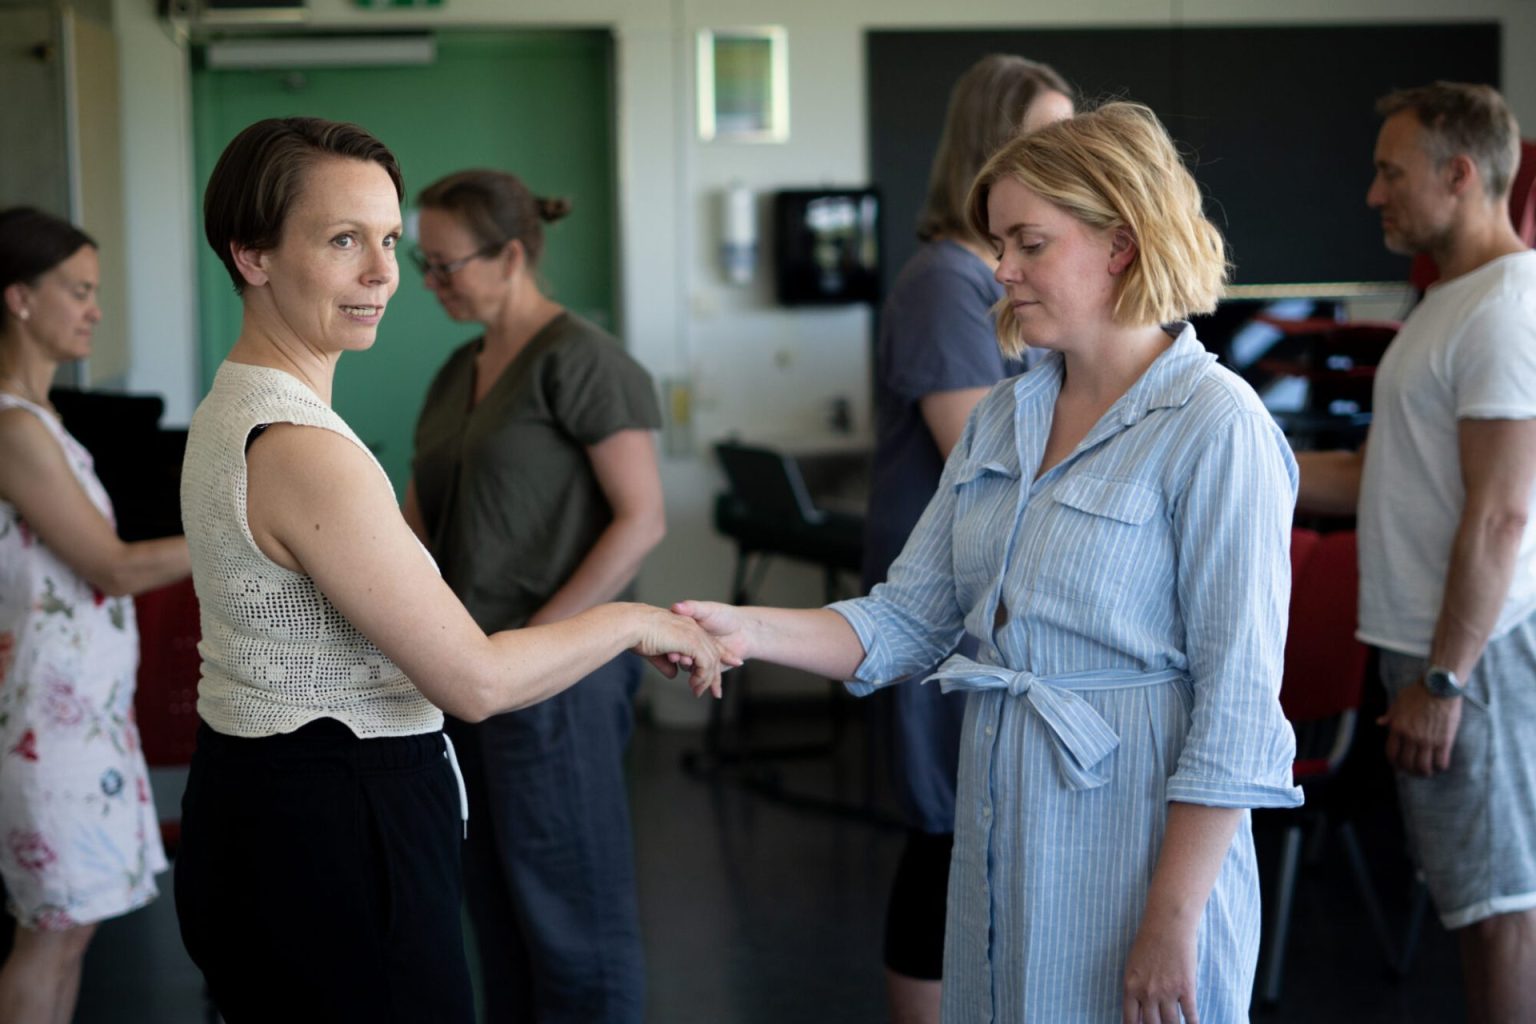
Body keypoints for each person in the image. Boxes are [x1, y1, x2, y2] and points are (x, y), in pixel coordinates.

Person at [677, 102, 1302, 1022]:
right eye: (1000, 242)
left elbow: (1240, 711)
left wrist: (1174, 924)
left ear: (1121, 244)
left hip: (1137, 854)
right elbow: (906, 618)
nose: (1000, 268)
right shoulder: (1005, 418)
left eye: (1028, 243)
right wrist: (740, 630)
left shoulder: (1216, 425)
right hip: (1001, 829)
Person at [173, 117, 728, 1023]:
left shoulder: (232, 405)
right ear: (253, 255)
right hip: (334, 827)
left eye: (389, 242)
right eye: (343, 240)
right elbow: (471, 681)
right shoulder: (303, 445)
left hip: (272, 806)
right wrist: (636, 620)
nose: (385, 273)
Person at [1295, 82, 1536, 1024]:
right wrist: (1226, 447)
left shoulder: (1505, 313)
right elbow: (1375, 478)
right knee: (1477, 909)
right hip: (1434, 655)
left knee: (1500, 912)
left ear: (1462, 174)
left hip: (1470, 661)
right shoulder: (1452, 303)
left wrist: (1442, 682)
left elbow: (1502, 515)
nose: (1373, 192)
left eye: (1392, 171)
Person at [403, 169, 663, 1022]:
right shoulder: (456, 369)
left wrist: (544, 642)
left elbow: (641, 521)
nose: (432, 283)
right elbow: (419, 510)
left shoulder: (583, 361)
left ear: (511, 254)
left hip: (553, 679)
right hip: (467, 678)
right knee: (500, 913)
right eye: (423, 264)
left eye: (447, 265)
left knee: (572, 920)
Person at [864, 54, 1072, 1024]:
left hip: (977, 607)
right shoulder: (949, 283)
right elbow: (986, 462)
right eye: (1045, 137)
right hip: (943, 603)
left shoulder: (984, 280)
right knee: (946, 833)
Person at [0, 207, 191, 1023]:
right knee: (49, 935)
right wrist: (248, 532)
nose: (94, 309)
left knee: (70, 935)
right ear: (17, 298)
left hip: (84, 720)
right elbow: (110, 566)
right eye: (77, 290)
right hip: (48, 721)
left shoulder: (43, 422)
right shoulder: (13, 428)